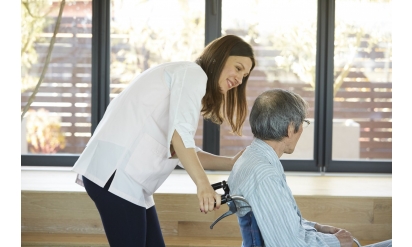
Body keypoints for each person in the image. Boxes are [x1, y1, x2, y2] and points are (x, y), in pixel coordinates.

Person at [71, 34, 255, 247]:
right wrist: (203, 185)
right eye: (238, 68)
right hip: (117, 176)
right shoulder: (192, 74)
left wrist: (231, 163)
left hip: (127, 181)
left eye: (245, 75)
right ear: (220, 57)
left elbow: (181, 148)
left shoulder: (185, 76)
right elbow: (180, 136)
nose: (240, 79)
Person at [227, 89, 392, 247]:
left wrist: (317, 227)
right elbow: (288, 244)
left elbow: (279, 222)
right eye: (303, 123)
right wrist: (337, 242)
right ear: (290, 128)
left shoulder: (251, 157)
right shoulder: (264, 174)